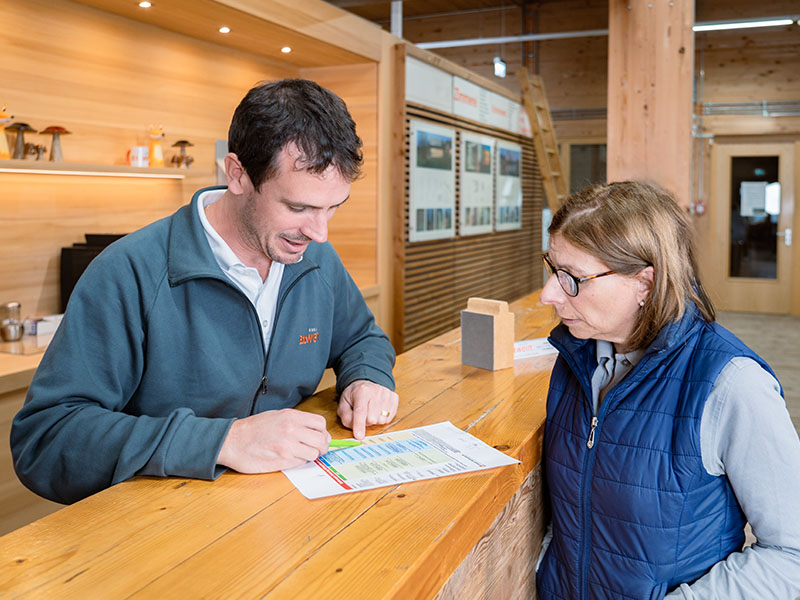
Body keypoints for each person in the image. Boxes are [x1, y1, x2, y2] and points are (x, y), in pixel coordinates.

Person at [11, 79, 398, 505]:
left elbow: (362, 338)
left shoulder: (312, 258)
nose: (319, 233)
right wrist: (224, 441)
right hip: (159, 534)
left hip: (281, 516)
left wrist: (368, 378)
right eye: (298, 207)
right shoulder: (129, 272)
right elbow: (46, 440)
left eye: (333, 208)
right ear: (237, 175)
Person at [536, 181, 800, 599]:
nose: (548, 294)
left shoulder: (733, 384)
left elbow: (792, 556)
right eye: (553, 269)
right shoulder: (575, 358)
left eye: (572, 279)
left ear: (645, 283)